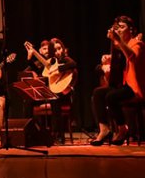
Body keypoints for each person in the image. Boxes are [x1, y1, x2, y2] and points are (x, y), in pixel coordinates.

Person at [91, 15, 145, 146]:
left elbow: (131, 55)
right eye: (117, 28)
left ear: (131, 30)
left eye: (122, 27)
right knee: (98, 93)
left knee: (111, 96)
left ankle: (122, 129)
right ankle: (104, 129)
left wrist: (118, 41)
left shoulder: (138, 43)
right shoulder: (120, 46)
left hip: (135, 87)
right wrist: (108, 59)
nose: (119, 30)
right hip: (124, 85)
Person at [46, 38, 78, 144]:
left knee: (55, 101)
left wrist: (57, 69)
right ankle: (54, 133)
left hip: (67, 93)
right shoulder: (52, 62)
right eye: (55, 50)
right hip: (56, 93)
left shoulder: (66, 59)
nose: (58, 52)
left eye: (59, 48)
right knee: (53, 99)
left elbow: (73, 64)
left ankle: (58, 135)